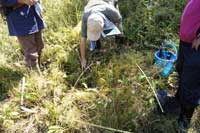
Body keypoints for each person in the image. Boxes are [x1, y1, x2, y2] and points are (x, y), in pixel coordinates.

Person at [157, 0, 200, 131]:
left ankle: (185, 119)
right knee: (181, 70)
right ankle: (178, 103)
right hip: (186, 42)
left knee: (191, 83)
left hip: (196, 47)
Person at [0, 0, 45, 69]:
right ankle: (34, 74)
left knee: (39, 44)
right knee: (30, 51)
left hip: (34, 12)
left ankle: (38, 67)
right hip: (19, 16)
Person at [80, 0, 122, 69]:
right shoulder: (85, 16)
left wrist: (112, 30)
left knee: (119, 32)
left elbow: (118, 21)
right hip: (92, 5)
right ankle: (98, 46)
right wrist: (83, 59)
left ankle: (120, 43)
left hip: (108, 2)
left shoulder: (111, 11)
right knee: (97, 38)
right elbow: (82, 40)